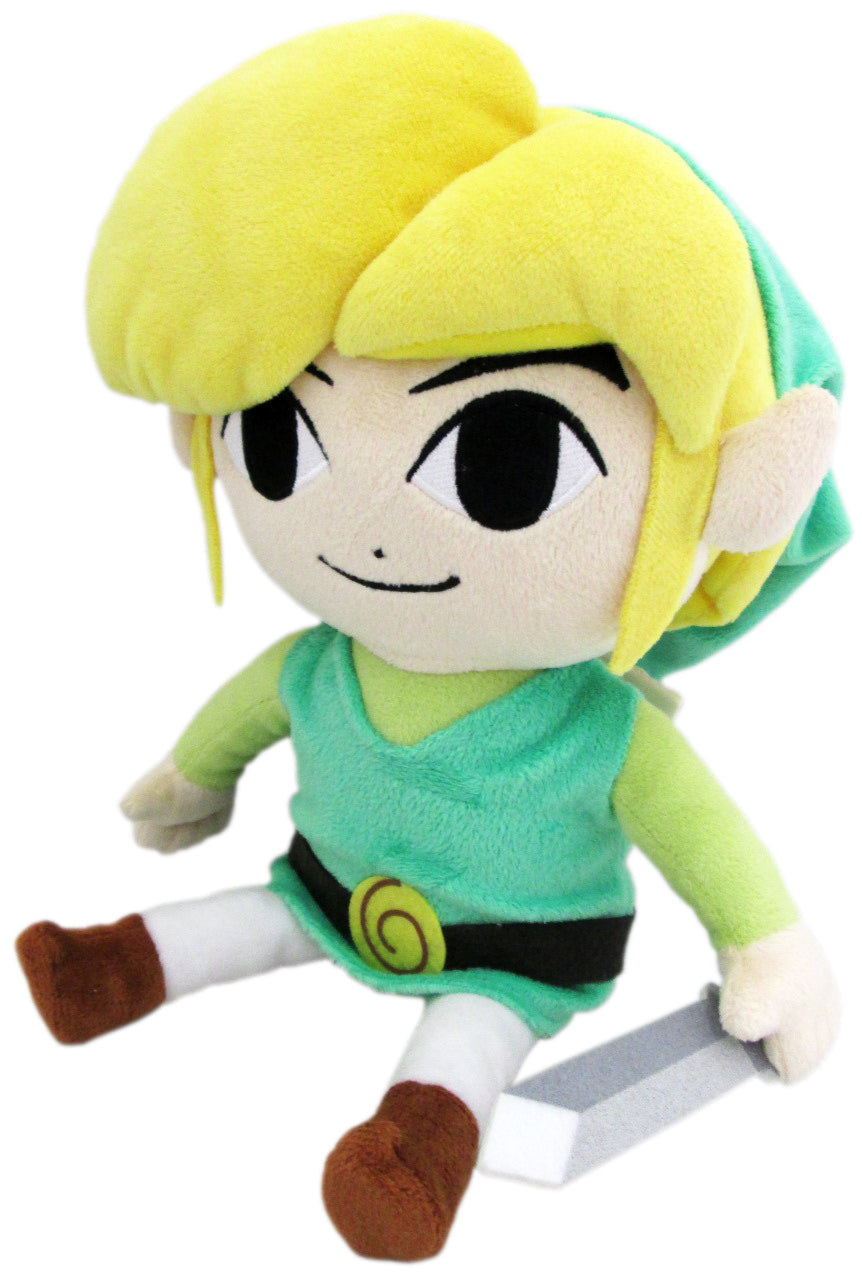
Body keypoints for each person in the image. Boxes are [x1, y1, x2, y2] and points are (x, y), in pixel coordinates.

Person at [16, 16, 850, 1262]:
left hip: (513, 945)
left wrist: (766, 945)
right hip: (326, 882)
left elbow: (704, 836)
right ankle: (121, 963)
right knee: (265, 913)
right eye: (281, 436)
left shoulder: (597, 729)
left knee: (471, 1022)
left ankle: (420, 1141)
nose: (362, 521)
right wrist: (193, 776)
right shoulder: (324, 661)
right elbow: (242, 717)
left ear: (731, 493)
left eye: (507, 459)